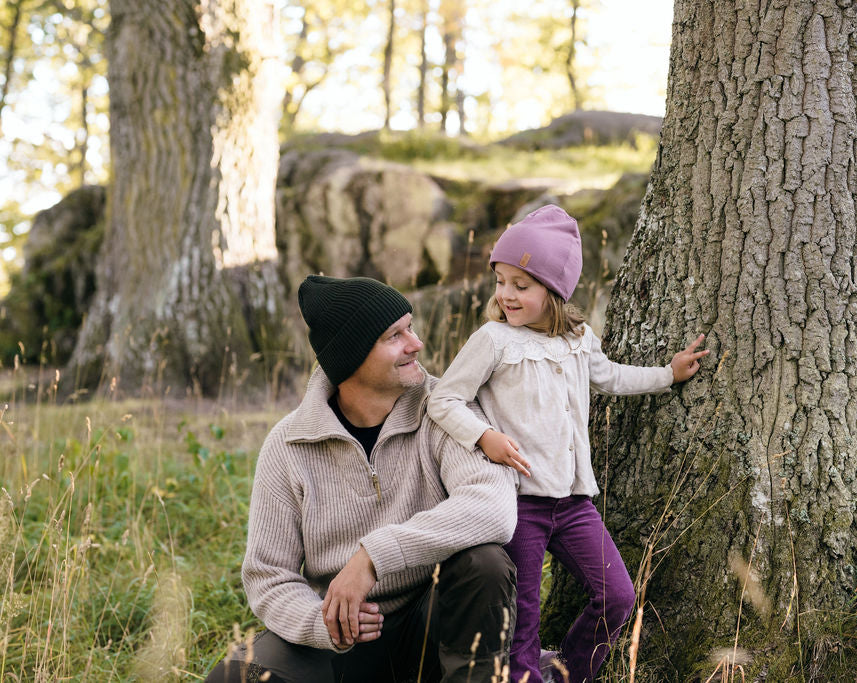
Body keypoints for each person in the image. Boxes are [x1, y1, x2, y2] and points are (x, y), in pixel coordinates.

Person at [427, 205, 710, 683]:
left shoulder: (578, 338)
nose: (506, 295)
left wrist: (668, 374)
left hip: (575, 502)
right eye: (501, 281)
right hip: (520, 503)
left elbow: (611, 378)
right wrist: (486, 437)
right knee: (524, 618)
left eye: (522, 285)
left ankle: (566, 674)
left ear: (554, 289)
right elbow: (445, 398)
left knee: (618, 597)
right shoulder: (494, 340)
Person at [206, 275, 518, 683]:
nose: (416, 343)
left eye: (410, 327)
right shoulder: (289, 444)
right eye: (395, 335)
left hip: (434, 625)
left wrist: (373, 557)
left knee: (486, 563)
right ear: (351, 357)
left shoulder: (445, 410)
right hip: (343, 639)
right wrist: (323, 624)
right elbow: (269, 575)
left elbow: (494, 508)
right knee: (234, 678)